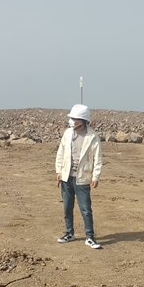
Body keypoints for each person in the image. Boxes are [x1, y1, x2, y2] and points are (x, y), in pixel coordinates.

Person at [55, 104, 103, 249]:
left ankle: (90, 237)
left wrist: (95, 177)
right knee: (67, 207)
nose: (72, 121)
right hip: (67, 177)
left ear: (82, 121)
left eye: (75, 119)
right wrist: (59, 171)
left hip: (82, 178)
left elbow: (97, 159)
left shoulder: (92, 137)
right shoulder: (68, 133)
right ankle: (69, 233)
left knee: (86, 209)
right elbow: (61, 153)